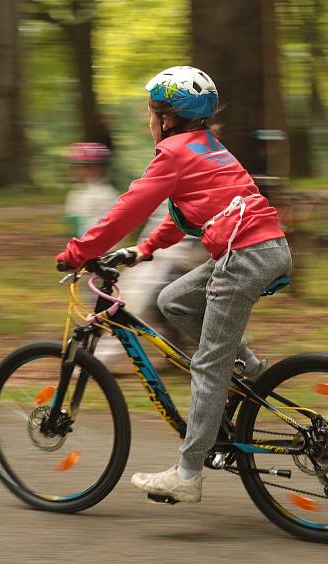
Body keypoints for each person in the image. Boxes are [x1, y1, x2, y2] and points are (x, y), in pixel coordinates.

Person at [56, 66, 291, 503]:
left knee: (208, 363)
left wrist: (77, 252)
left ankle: (188, 473)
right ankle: (251, 370)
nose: (148, 121)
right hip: (260, 249)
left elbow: (127, 207)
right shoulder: (207, 147)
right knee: (174, 300)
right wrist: (143, 251)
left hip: (244, 257)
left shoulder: (175, 153)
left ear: (166, 118)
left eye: (150, 112)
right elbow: (188, 211)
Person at [63, 143, 118, 238]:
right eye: (76, 167)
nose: (79, 171)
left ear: (100, 169)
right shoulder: (76, 192)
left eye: (86, 167)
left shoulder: (106, 195)